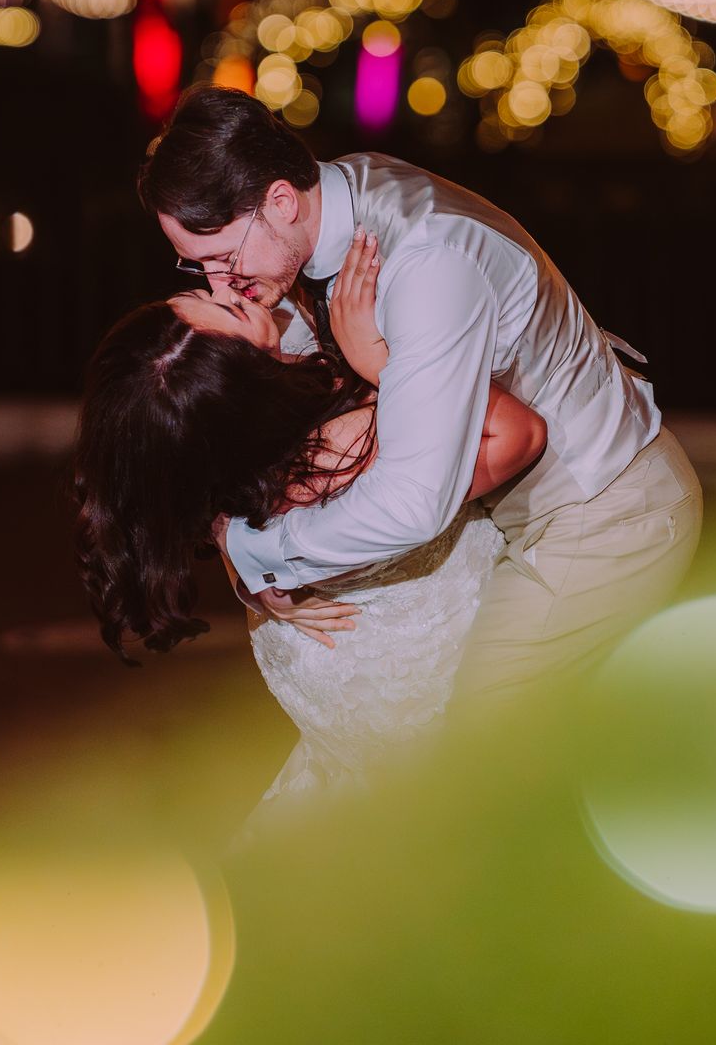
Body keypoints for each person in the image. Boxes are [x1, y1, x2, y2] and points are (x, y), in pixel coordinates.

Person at [140, 84, 702, 703]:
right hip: (511, 512)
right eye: (197, 268)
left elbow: (415, 501)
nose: (220, 284)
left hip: (603, 512)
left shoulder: (428, 260)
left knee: (481, 738)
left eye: (221, 257)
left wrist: (264, 552)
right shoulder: (331, 209)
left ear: (279, 201)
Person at [72, 234, 546, 811]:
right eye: (226, 308)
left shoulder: (221, 461)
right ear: (241, 382)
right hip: (403, 689)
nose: (222, 284)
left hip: (333, 690)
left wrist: (252, 579)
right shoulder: (332, 453)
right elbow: (518, 433)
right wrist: (388, 367)